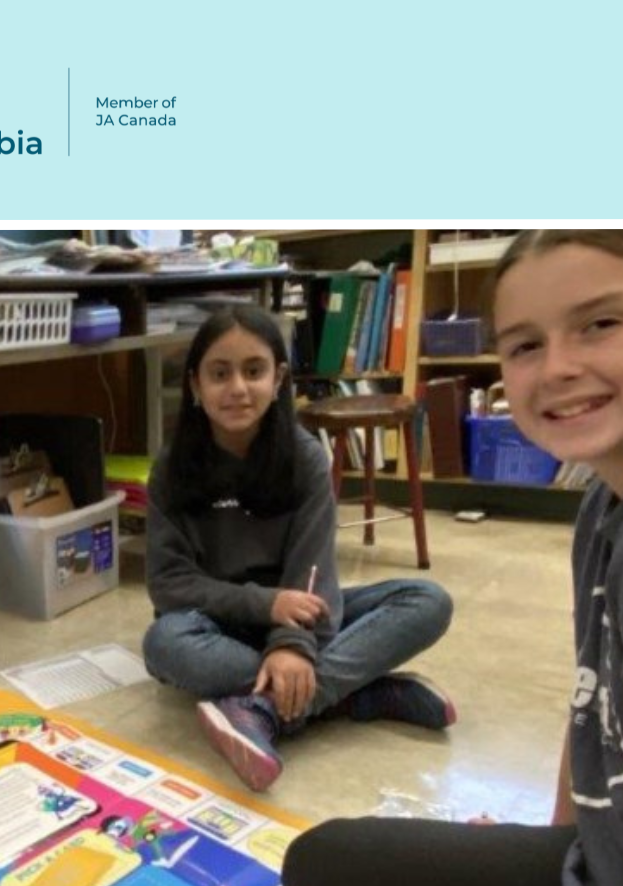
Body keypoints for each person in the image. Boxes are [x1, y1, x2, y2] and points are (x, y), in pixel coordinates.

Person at [266, 229, 623, 886]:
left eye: (601, 324)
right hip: (606, 874)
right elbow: (594, 704)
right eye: (525, 344)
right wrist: (554, 851)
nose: (557, 367)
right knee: (319, 859)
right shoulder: (608, 496)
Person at [142, 305, 455, 792]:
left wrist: (292, 644)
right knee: (164, 644)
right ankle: (354, 693)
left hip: (303, 614)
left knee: (427, 601)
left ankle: (264, 708)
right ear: (195, 385)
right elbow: (169, 585)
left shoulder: (305, 457)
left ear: (279, 379)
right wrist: (266, 604)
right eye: (220, 374)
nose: (238, 388)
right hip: (218, 625)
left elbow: (312, 574)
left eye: (254, 371)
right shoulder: (171, 468)